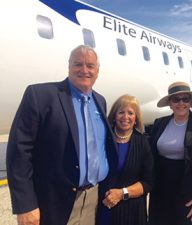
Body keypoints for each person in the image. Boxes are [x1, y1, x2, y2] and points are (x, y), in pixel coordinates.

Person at [6, 45, 118, 225]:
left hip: (92, 198)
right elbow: (19, 151)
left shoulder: (100, 101)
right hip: (56, 201)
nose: (84, 70)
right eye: (77, 64)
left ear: (98, 70)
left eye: (90, 66)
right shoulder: (40, 95)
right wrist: (25, 205)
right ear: (69, 67)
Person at [148, 81, 192, 225]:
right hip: (160, 193)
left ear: (190, 102)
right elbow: (149, 157)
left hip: (189, 195)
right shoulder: (159, 123)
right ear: (170, 103)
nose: (181, 103)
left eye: (185, 99)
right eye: (176, 99)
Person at [97, 94, 154, 225]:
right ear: (114, 116)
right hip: (104, 208)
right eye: (121, 112)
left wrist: (122, 193)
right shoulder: (104, 138)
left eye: (130, 113)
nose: (125, 117)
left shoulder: (142, 142)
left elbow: (148, 181)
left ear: (136, 118)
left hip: (131, 212)